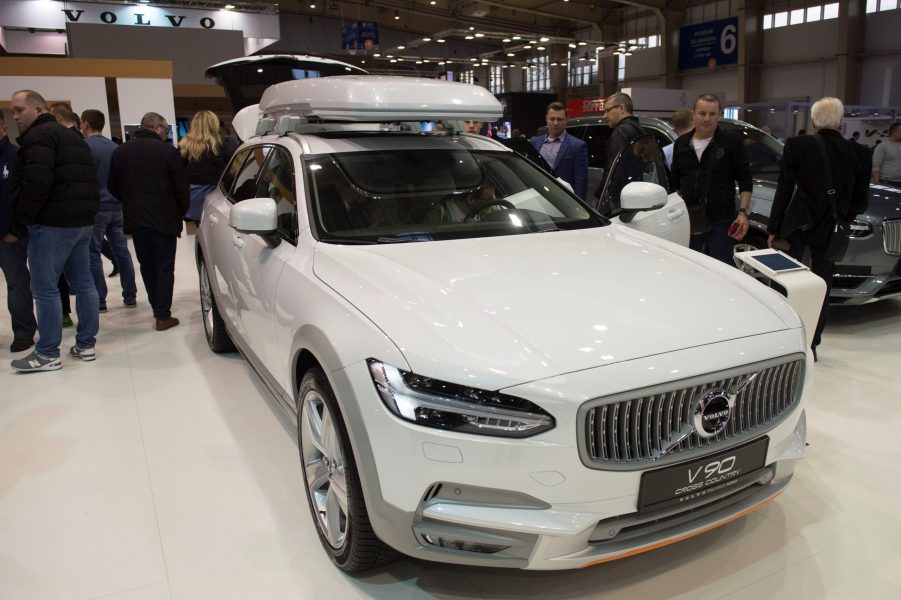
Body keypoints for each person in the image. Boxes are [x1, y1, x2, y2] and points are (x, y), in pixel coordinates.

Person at [767, 97, 870, 361]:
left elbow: (785, 189)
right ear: (840, 122)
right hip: (832, 228)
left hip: (797, 225)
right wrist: (842, 219)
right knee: (822, 283)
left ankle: (784, 337)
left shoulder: (798, 145)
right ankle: (812, 343)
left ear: (813, 122)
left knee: (787, 279)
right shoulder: (859, 152)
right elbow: (860, 199)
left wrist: (774, 227)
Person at [9, 90, 100, 372]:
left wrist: (22, 219)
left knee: (45, 289)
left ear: (38, 110)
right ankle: (86, 344)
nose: (14, 116)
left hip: (52, 224)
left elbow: (36, 183)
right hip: (81, 223)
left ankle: (47, 353)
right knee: (84, 284)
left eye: (19, 110)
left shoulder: (38, 138)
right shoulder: (73, 137)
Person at [108, 112, 188, 332]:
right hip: (164, 219)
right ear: (158, 128)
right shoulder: (167, 152)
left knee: (147, 265)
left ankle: (156, 307)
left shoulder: (121, 151)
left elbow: (112, 186)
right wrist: (179, 212)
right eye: (165, 129)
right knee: (164, 266)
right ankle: (163, 315)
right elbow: (181, 187)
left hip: (136, 218)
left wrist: (130, 202)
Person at [670, 93, 753, 266]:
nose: (707, 119)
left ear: (719, 115)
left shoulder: (732, 141)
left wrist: (743, 213)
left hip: (721, 220)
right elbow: (675, 182)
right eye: (702, 113)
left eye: (712, 114)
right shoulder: (681, 143)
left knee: (721, 268)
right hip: (690, 219)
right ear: (693, 114)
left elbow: (745, 178)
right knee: (689, 266)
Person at [81, 109, 138, 312]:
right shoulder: (115, 147)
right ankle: (130, 295)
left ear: (85, 123)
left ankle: (101, 300)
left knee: (93, 254)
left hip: (95, 209)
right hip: (117, 206)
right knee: (122, 252)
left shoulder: (83, 147)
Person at [0, 111, 38, 353]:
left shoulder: (15, 156)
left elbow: (22, 197)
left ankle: (24, 332)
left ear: (3, 128)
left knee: (16, 283)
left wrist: (16, 228)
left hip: (9, 235)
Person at [179, 110, 231, 225]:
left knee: (202, 229)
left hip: (192, 199)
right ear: (214, 124)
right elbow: (230, 172)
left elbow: (179, 173)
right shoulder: (220, 146)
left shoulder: (184, 146)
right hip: (214, 198)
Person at [530, 102, 588, 200]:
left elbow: (581, 181)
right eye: (552, 119)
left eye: (559, 119)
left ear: (566, 120)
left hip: (563, 201)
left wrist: (579, 208)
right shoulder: (535, 142)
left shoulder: (577, 146)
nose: (555, 123)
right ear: (546, 119)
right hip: (537, 197)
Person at [601, 93, 644, 185]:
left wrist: (601, 195)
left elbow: (613, 169)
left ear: (621, 108)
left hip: (619, 194)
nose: (604, 116)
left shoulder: (621, 131)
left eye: (607, 110)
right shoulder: (639, 129)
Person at [872, 122, 901, 187]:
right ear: (894, 132)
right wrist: (877, 184)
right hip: (886, 182)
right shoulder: (882, 146)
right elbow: (876, 166)